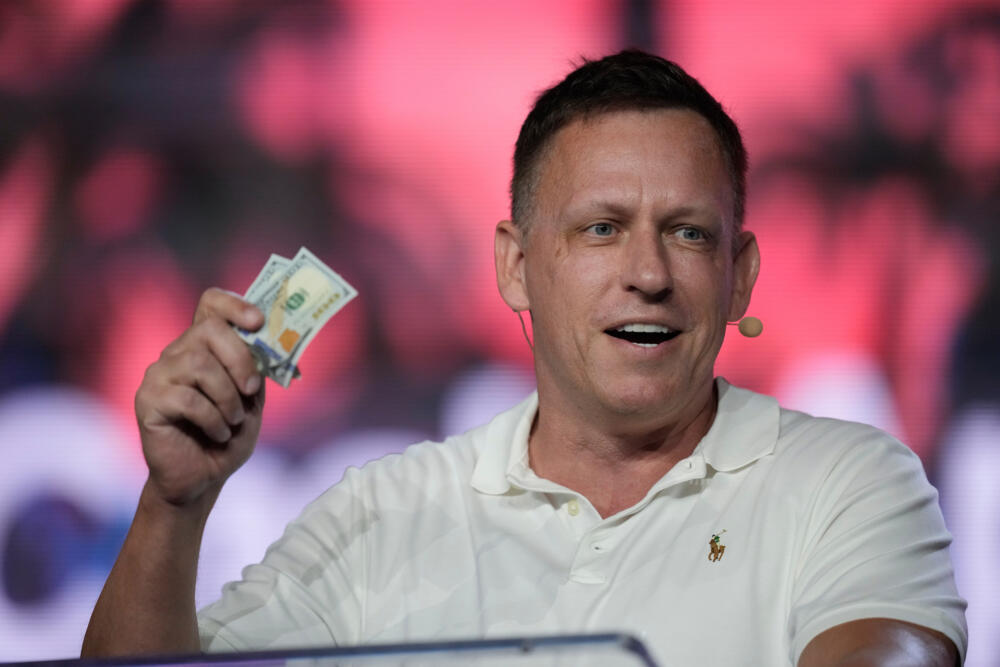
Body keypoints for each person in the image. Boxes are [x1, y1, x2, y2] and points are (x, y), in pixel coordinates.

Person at [82, 51, 966, 666]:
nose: (649, 274)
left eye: (689, 234)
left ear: (739, 278)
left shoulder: (848, 481)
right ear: (515, 265)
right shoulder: (378, 514)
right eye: (602, 230)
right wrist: (174, 504)